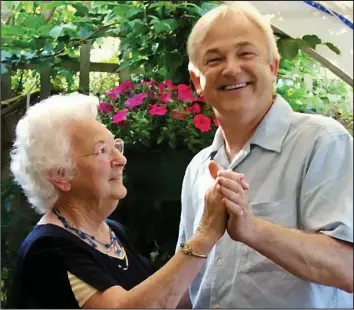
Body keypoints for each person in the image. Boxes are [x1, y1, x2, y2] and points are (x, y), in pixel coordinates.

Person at [176, 2, 353, 308]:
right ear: (197, 82)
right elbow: (187, 280)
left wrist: (254, 230)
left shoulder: (322, 141)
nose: (231, 69)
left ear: (273, 67)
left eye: (245, 54)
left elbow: (347, 267)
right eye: (214, 59)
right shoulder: (199, 167)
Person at [6, 93, 247, 308]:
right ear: (61, 174)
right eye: (102, 150)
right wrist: (204, 235)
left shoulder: (112, 234)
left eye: (116, 146)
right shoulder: (49, 248)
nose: (120, 159)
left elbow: (165, 299)